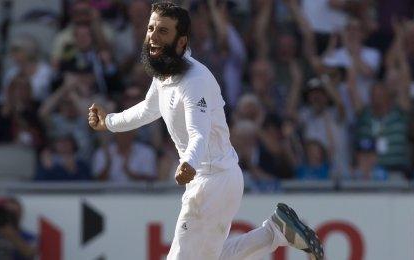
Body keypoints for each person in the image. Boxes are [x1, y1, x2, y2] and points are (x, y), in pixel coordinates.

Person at [87, 3, 323, 259]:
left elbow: (198, 132)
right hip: (214, 179)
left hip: (212, 181)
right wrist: (109, 122)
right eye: (151, 28)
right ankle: (276, 232)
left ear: (181, 42)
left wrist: (189, 161)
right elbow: (147, 109)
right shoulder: (164, 74)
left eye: (163, 31)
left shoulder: (194, 80)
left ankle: (275, 233)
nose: (153, 36)